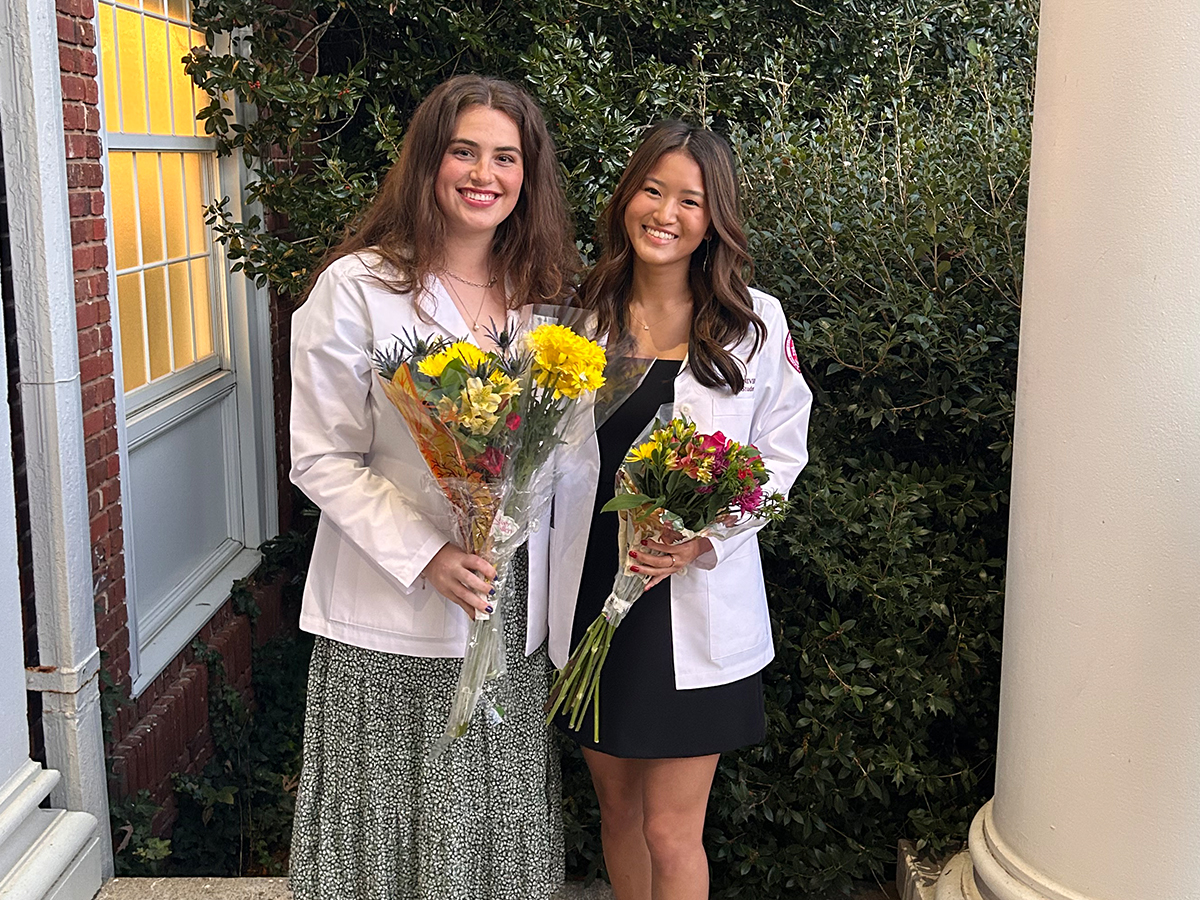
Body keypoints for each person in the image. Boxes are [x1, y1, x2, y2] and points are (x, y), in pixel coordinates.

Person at [288, 75, 577, 900]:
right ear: (428, 162)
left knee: (489, 829)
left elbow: (566, 455)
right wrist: (428, 555)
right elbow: (320, 455)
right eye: (463, 151)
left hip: (503, 603)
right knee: (389, 831)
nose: (483, 174)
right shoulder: (359, 288)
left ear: (528, 176)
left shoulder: (547, 302)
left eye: (505, 157)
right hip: (391, 608)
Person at [548, 121, 812, 900]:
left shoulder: (753, 323)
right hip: (598, 590)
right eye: (653, 190)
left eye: (689, 200)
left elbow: (781, 457)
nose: (665, 213)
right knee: (619, 816)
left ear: (714, 219)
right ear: (628, 197)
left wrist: (705, 542)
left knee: (671, 830)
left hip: (688, 596)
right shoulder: (576, 316)